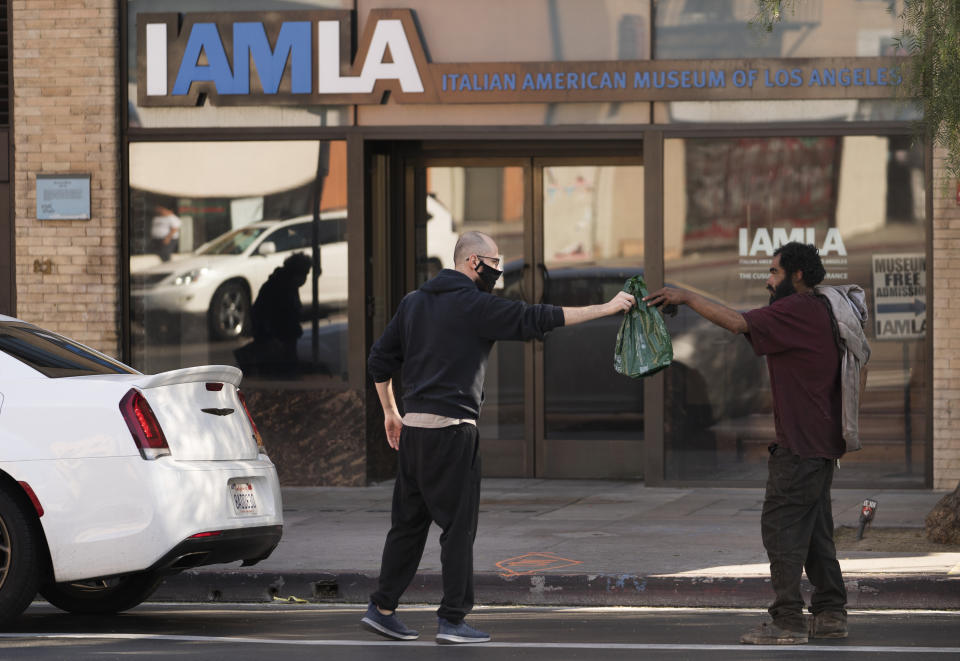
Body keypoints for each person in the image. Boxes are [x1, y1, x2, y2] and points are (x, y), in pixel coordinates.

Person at [361, 231, 634, 645]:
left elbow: (379, 360)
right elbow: (538, 318)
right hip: (452, 433)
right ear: (473, 262)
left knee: (407, 527)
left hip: (414, 432)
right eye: (494, 263)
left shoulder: (413, 302)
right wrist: (608, 307)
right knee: (458, 529)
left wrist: (391, 412)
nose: (498, 271)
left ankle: (382, 608)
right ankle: (452, 620)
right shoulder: (474, 304)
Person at [644, 242, 849, 646]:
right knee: (814, 533)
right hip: (819, 444)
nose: (768, 281)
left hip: (801, 447)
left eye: (774, 273)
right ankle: (829, 614)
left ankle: (787, 620)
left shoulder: (797, 309)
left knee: (782, 530)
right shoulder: (819, 309)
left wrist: (686, 296)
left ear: (797, 276)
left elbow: (738, 323)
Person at [235, 252, 311, 377]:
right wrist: (271, 337)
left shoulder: (286, 285)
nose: (304, 279)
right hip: (277, 341)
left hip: (281, 340)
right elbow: (268, 315)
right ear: (296, 273)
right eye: (304, 275)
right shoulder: (280, 287)